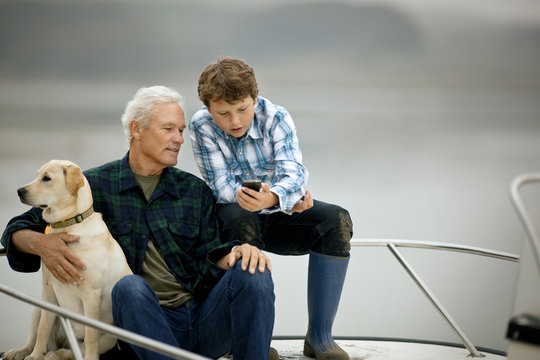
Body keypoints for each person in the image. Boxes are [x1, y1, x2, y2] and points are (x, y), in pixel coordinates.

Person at [1, 86, 277, 360]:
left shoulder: (195, 191)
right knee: (129, 287)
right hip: (142, 324)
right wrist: (42, 244)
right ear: (136, 129)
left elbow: (209, 267)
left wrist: (238, 254)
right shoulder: (92, 186)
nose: (179, 139)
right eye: (168, 129)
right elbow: (17, 228)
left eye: (181, 130)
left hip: (202, 319)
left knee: (255, 270)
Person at [189, 57, 354, 360]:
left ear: (254, 97)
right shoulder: (201, 126)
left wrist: (277, 199)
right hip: (234, 218)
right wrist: (275, 199)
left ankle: (319, 337)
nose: (235, 120)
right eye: (223, 113)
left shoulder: (276, 117)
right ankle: (252, 340)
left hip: (275, 209)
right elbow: (221, 188)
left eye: (242, 108)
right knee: (239, 212)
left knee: (336, 219)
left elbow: (294, 173)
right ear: (208, 109)